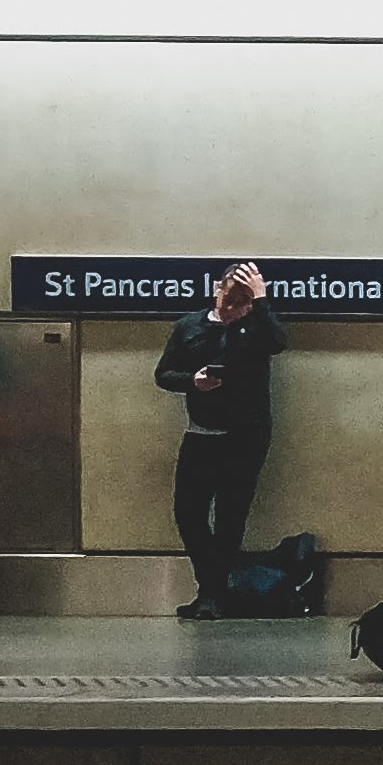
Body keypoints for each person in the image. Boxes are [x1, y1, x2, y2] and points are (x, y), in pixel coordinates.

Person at [153, 260, 282, 618]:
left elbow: (277, 342)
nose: (233, 309)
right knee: (188, 515)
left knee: (230, 517)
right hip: (201, 434)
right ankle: (214, 586)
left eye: (242, 302)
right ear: (216, 290)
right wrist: (192, 381)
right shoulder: (189, 327)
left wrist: (260, 301)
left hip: (246, 436)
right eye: (230, 299)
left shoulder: (257, 326)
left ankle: (212, 595)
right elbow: (163, 374)